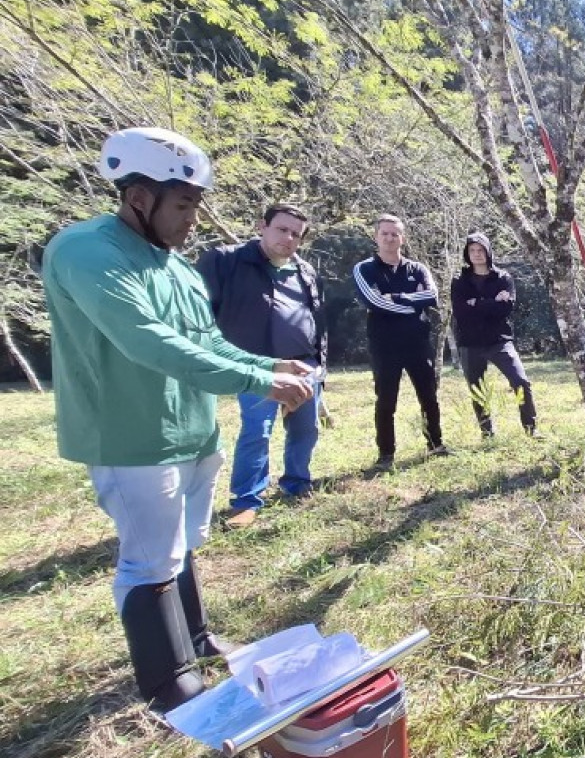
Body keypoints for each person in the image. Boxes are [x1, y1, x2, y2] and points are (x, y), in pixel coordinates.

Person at [42, 127, 313, 711]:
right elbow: (148, 341)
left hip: (193, 428)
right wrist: (258, 382)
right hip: (132, 434)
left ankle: (195, 639)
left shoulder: (179, 268)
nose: (193, 219)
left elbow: (206, 343)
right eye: (184, 205)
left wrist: (267, 364)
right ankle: (169, 684)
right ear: (140, 197)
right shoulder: (87, 251)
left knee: (181, 545)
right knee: (149, 560)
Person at [197, 203, 326, 530]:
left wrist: (319, 364)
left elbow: (318, 320)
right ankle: (246, 500)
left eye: (296, 234)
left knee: (306, 429)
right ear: (261, 226)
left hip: (303, 365)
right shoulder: (226, 261)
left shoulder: (305, 271)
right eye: (282, 229)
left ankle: (297, 483)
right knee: (257, 431)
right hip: (257, 367)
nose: (289, 238)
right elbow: (202, 316)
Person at [352, 214, 448, 470]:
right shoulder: (364, 269)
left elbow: (432, 296)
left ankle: (436, 444)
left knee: (429, 396)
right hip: (385, 345)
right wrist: (412, 302)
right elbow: (374, 302)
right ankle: (386, 455)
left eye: (395, 234)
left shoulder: (418, 269)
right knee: (386, 400)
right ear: (376, 236)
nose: (390, 238)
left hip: (418, 342)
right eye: (385, 233)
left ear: (402, 238)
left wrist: (394, 298)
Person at [451, 231, 537, 437]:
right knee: (477, 389)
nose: (477, 254)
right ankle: (487, 433)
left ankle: (531, 429)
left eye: (481, 250)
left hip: (499, 340)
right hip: (470, 342)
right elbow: (461, 312)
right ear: (467, 253)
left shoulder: (503, 278)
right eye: (472, 250)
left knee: (520, 381)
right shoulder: (459, 281)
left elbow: (505, 309)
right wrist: (492, 302)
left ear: (488, 251)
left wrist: (476, 303)